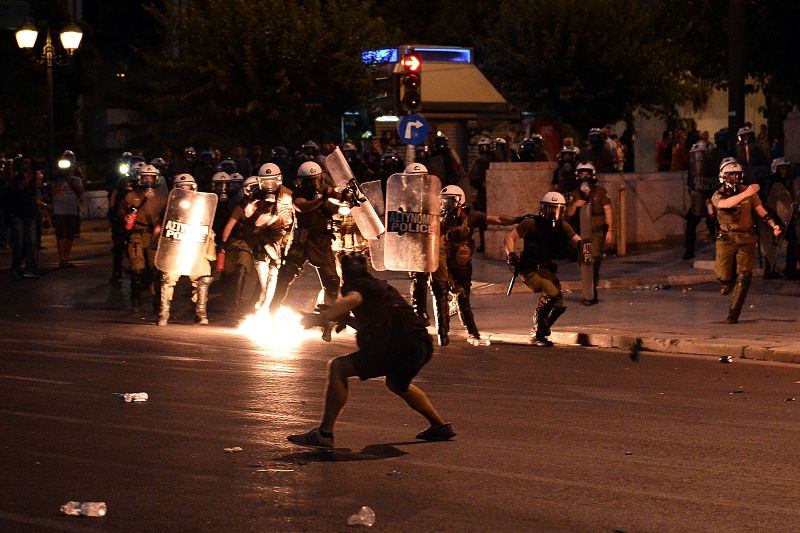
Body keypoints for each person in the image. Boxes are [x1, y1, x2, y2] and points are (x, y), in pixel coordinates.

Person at [287, 252, 455, 450]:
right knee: (396, 383)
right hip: (419, 344)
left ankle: (324, 434)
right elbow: (380, 321)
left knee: (338, 367)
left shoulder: (355, 286)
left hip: (394, 345)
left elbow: (354, 299)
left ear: (344, 272)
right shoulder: (380, 286)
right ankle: (440, 426)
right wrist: (347, 320)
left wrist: (322, 316)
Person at [269, 161, 345, 342]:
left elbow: (341, 199)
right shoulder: (300, 194)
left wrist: (346, 196)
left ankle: (327, 322)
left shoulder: (327, 190)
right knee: (285, 276)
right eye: (308, 180)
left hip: (322, 242)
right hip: (303, 241)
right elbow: (303, 207)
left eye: (315, 180)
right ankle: (272, 313)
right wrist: (322, 200)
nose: (313, 184)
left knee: (332, 281)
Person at [504, 192, 581, 346]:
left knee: (558, 304)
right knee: (551, 291)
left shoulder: (563, 226)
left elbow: (577, 240)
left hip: (546, 269)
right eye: (551, 209)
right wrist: (511, 254)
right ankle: (538, 322)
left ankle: (538, 333)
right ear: (543, 208)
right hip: (529, 268)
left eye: (557, 209)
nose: (554, 213)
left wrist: (584, 248)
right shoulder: (531, 223)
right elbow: (509, 237)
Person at [713, 158, 781, 324]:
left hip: (746, 237)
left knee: (745, 276)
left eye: (737, 175)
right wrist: (746, 193)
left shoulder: (748, 193)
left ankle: (733, 314)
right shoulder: (718, 195)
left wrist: (774, 225)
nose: (734, 178)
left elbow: (761, 210)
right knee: (723, 276)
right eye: (730, 175)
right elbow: (726, 204)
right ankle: (727, 280)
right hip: (726, 238)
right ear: (723, 176)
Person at [220, 164, 294, 315]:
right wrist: (253, 201)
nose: (269, 185)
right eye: (266, 181)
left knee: (276, 270)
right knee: (261, 267)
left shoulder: (286, 195)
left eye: (272, 181)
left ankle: (268, 303)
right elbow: (248, 215)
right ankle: (263, 296)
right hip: (260, 238)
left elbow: (285, 219)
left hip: (280, 237)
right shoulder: (256, 195)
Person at [155, 174, 216, 326]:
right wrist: (155, 240)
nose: (185, 190)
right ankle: (163, 313)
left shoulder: (201, 204)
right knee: (167, 278)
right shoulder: (170, 205)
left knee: (203, 277)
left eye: (187, 187)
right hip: (175, 246)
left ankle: (201, 314)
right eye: (181, 188)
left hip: (195, 246)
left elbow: (207, 225)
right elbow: (160, 225)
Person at [118, 164, 169, 312]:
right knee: (137, 270)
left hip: (154, 234)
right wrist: (127, 216)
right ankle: (136, 301)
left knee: (155, 270)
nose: (148, 180)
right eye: (145, 177)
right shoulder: (132, 195)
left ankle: (157, 301)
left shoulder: (161, 196)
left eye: (151, 177)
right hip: (137, 235)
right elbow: (120, 210)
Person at [566, 162, 614, 305]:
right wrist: (575, 204)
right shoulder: (575, 193)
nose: (584, 176)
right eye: (582, 173)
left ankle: (591, 293)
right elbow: (569, 213)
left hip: (597, 231)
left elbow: (608, 210)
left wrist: (610, 230)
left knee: (594, 259)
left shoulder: (600, 191)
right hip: (583, 233)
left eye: (587, 172)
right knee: (584, 262)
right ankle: (588, 291)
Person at [683, 138, 718, 260]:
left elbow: (690, 184)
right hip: (703, 199)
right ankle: (690, 250)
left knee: (711, 223)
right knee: (701, 223)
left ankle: (690, 251)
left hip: (707, 200)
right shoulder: (697, 168)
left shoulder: (712, 167)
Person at [50, 150, 84, 267]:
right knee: (60, 235)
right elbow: (52, 193)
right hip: (59, 210)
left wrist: (70, 179)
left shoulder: (77, 178)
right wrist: (61, 179)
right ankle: (62, 259)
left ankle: (67, 258)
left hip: (71, 209)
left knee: (69, 235)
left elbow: (80, 192)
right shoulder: (56, 178)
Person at [8, 156, 41, 278]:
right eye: (25, 163)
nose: (28, 165)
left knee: (31, 242)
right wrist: (27, 177)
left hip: (30, 212)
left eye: (29, 162)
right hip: (19, 213)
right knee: (19, 242)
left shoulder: (34, 176)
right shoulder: (17, 177)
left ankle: (30, 268)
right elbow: (21, 187)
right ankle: (15, 268)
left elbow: (36, 189)